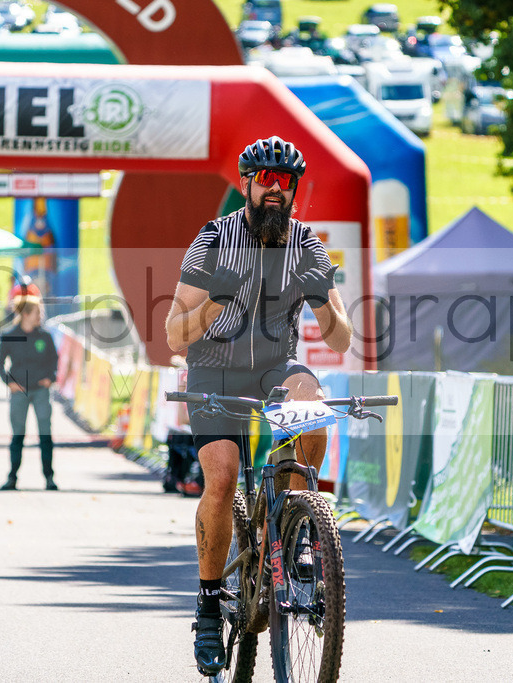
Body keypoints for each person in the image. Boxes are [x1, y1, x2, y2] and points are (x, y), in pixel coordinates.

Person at [164, 136, 351, 675]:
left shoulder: (307, 245)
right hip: (213, 368)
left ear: (294, 190)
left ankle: (290, 533)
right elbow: (175, 334)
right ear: (246, 184)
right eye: (264, 180)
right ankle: (206, 603)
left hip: (275, 366)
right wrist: (214, 304)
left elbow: (339, 340)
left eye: (284, 182)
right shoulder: (212, 241)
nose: (275, 189)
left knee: (313, 410)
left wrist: (327, 305)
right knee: (221, 478)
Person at [0, 295, 60, 491]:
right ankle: (12, 476)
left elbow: (54, 360)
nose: (40, 316)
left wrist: (51, 378)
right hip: (19, 392)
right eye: (36, 312)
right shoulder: (10, 335)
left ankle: (49, 477)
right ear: (25, 314)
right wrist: (10, 383)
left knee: (45, 433)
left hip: (41, 391)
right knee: (18, 434)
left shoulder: (45, 336)